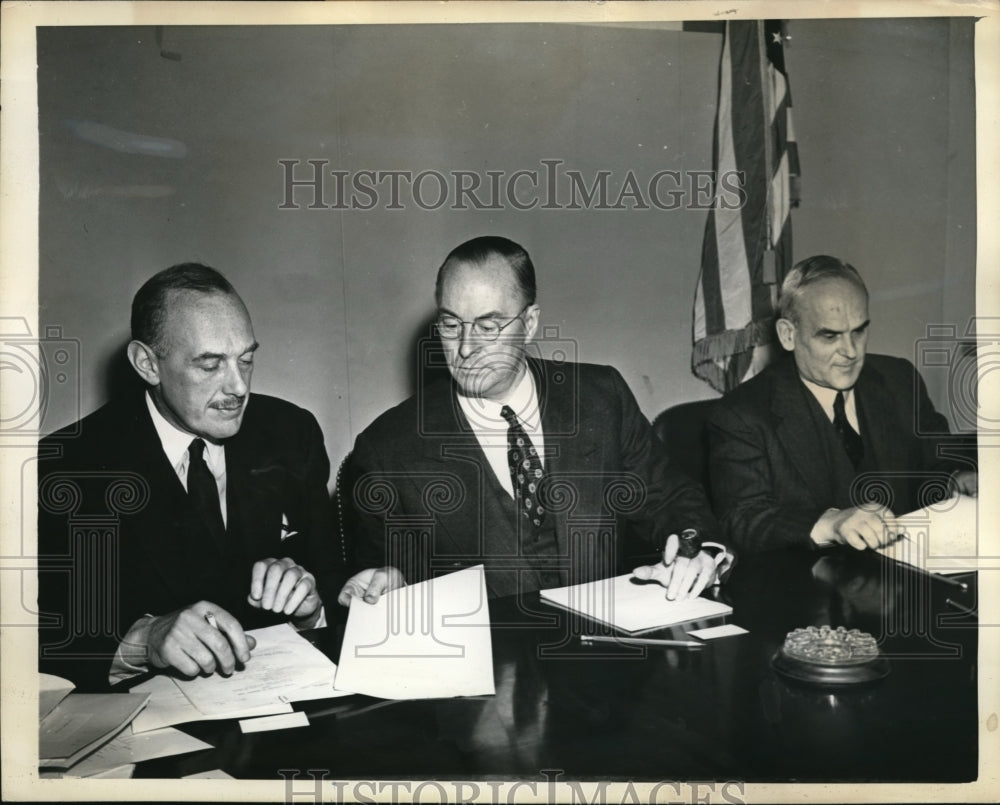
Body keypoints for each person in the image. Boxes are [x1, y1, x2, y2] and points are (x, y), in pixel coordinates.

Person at [337, 236, 731, 606]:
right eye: (451, 325)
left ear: (529, 324)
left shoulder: (600, 398)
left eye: (487, 327)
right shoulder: (388, 448)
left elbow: (672, 499)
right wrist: (390, 585)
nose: (466, 348)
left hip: (607, 645)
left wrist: (696, 551)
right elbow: (383, 573)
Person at [38, 263, 342, 688]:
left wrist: (311, 609)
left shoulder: (291, 433)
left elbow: (332, 584)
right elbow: (42, 642)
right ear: (147, 364)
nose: (238, 387)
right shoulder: (66, 466)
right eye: (210, 365)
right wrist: (143, 641)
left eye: (246, 359)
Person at [707, 255, 977, 553]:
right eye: (829, 335)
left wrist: (955, 479)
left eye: (858, 331)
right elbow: (741, 518)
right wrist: (830, 524)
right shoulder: (741, 414)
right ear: (788, 335)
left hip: (909, 570)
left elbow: (936, 463)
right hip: (810, 577)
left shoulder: (899, 379)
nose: (850, 352)